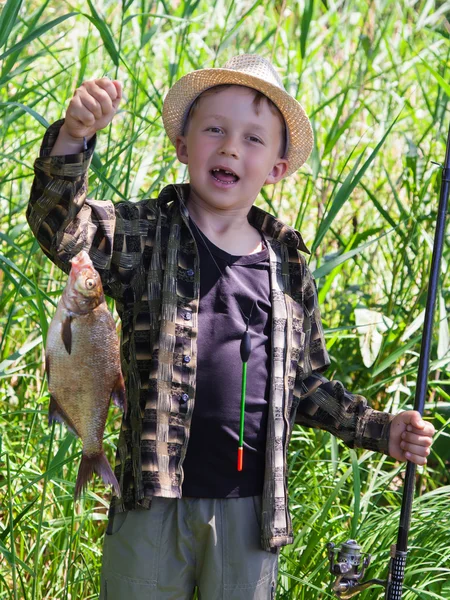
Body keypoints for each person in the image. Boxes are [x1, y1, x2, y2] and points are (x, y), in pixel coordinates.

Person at [27, 54, 435, 599]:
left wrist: (380, 429)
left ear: (277, 169)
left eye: (252, 139)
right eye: (214, 130)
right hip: (153, 500)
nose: (230, 148)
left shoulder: (288, 265)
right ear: (182, 147)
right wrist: (74, 136)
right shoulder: (143, 235)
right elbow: (60, 228)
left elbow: (306, 386)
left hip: (251, 512)